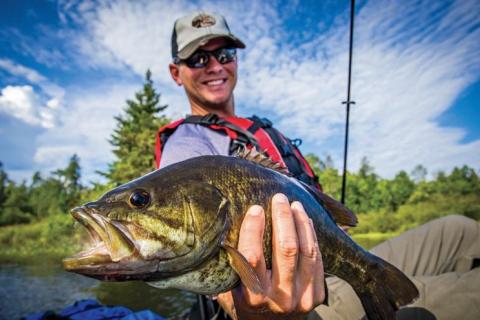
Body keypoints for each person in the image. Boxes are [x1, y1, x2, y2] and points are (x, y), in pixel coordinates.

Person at [157, 11, 480, 320]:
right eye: (199, 58)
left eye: (224, 54)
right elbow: (198, 249)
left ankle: (369, 277)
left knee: (460, 229)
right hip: (301, 302)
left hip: (329, 267)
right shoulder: (187, 146)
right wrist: (258, 310)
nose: (214, 66)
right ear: (176, 72)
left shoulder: (259, 131)